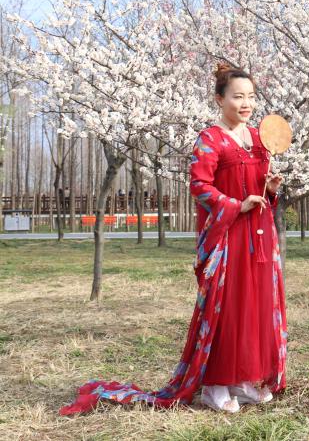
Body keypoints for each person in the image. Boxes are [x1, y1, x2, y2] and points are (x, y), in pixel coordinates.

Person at [60, 62, 288, 416]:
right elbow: (200, 186)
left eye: (251, 96)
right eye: (237, 97)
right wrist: (235, 205)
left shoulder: (259, 139)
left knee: (254, 306)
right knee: (227, 308)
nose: (246, 104)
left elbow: (258, 184)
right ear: (220, 99)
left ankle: (244, 379)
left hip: (259, 237)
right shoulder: (210, 139)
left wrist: (269, 189)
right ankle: (215, 385)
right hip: (227, 236)